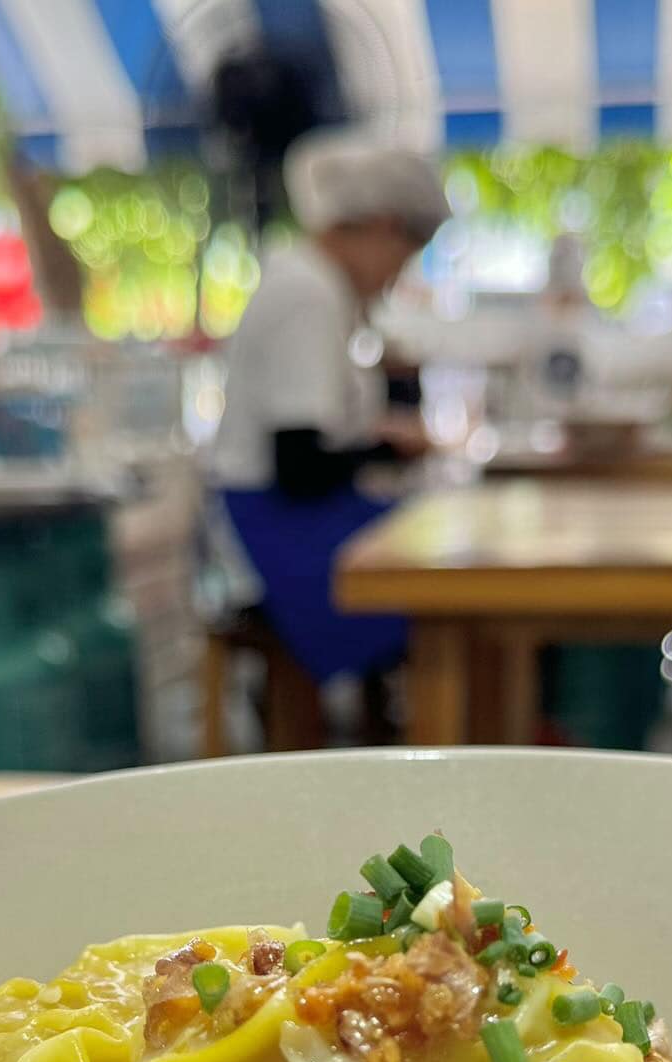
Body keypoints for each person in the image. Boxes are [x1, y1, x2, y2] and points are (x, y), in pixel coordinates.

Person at [212, 130, 448, 683]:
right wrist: (387, 445)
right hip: (282, 533)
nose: (397, 275)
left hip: (288, 517)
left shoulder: (315, 287)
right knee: (454, 598)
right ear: (385, 227)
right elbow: (299, 466)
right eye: (405, 256)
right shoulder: (309, 295)